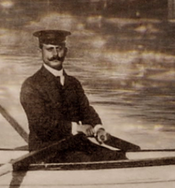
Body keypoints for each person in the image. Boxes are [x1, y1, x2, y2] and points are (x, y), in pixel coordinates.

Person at [20, 29, 113, 162]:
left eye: (59, 49)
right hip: (45, 151)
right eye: (49, 49)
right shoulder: (31, 85)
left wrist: (98, 128)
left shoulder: (73, 83)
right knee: (86, 160)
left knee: (117, 157)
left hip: (76, 145)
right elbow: (41, 124)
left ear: (66, 51)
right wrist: (77, 128)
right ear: (40, 52)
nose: (55, 54)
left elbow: (85, 110)